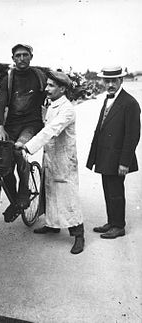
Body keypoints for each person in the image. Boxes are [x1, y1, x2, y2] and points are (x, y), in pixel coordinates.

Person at [15, 71, 85, 254]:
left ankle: (78, 234)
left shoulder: (67, 109)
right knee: (50, 190)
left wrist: (28, 147)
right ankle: (53, 225)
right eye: (46, 85)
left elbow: (51, 130)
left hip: (63, 159)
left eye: (51, 86)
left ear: (62, 88)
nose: (46, 89)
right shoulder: (53, 104)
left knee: (67, 195)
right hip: (51, 156)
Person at [86, 66, 141, 239]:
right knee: (108, 189)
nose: (110, 84)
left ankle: (119, 226)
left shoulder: (130, 103)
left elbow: (133, 136)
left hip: (117, 157)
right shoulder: (108, 99)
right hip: (105, 155)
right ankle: (111, 222)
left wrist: (124, 162)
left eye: (114, 81)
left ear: (121, 81)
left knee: (116, 191)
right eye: (107, 81)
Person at [0, 44, 46, 222]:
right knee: (3, 165)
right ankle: (15, 201)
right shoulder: (7, 79)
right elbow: (0, 104)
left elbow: (55, 91)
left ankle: (24, 193)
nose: (22, 58)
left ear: (31, 56)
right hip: (11, 126)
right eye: (18, 55)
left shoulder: (40, 76)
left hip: (31, 125)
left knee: (18, 150)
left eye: (25, 55)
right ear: (13, 59)